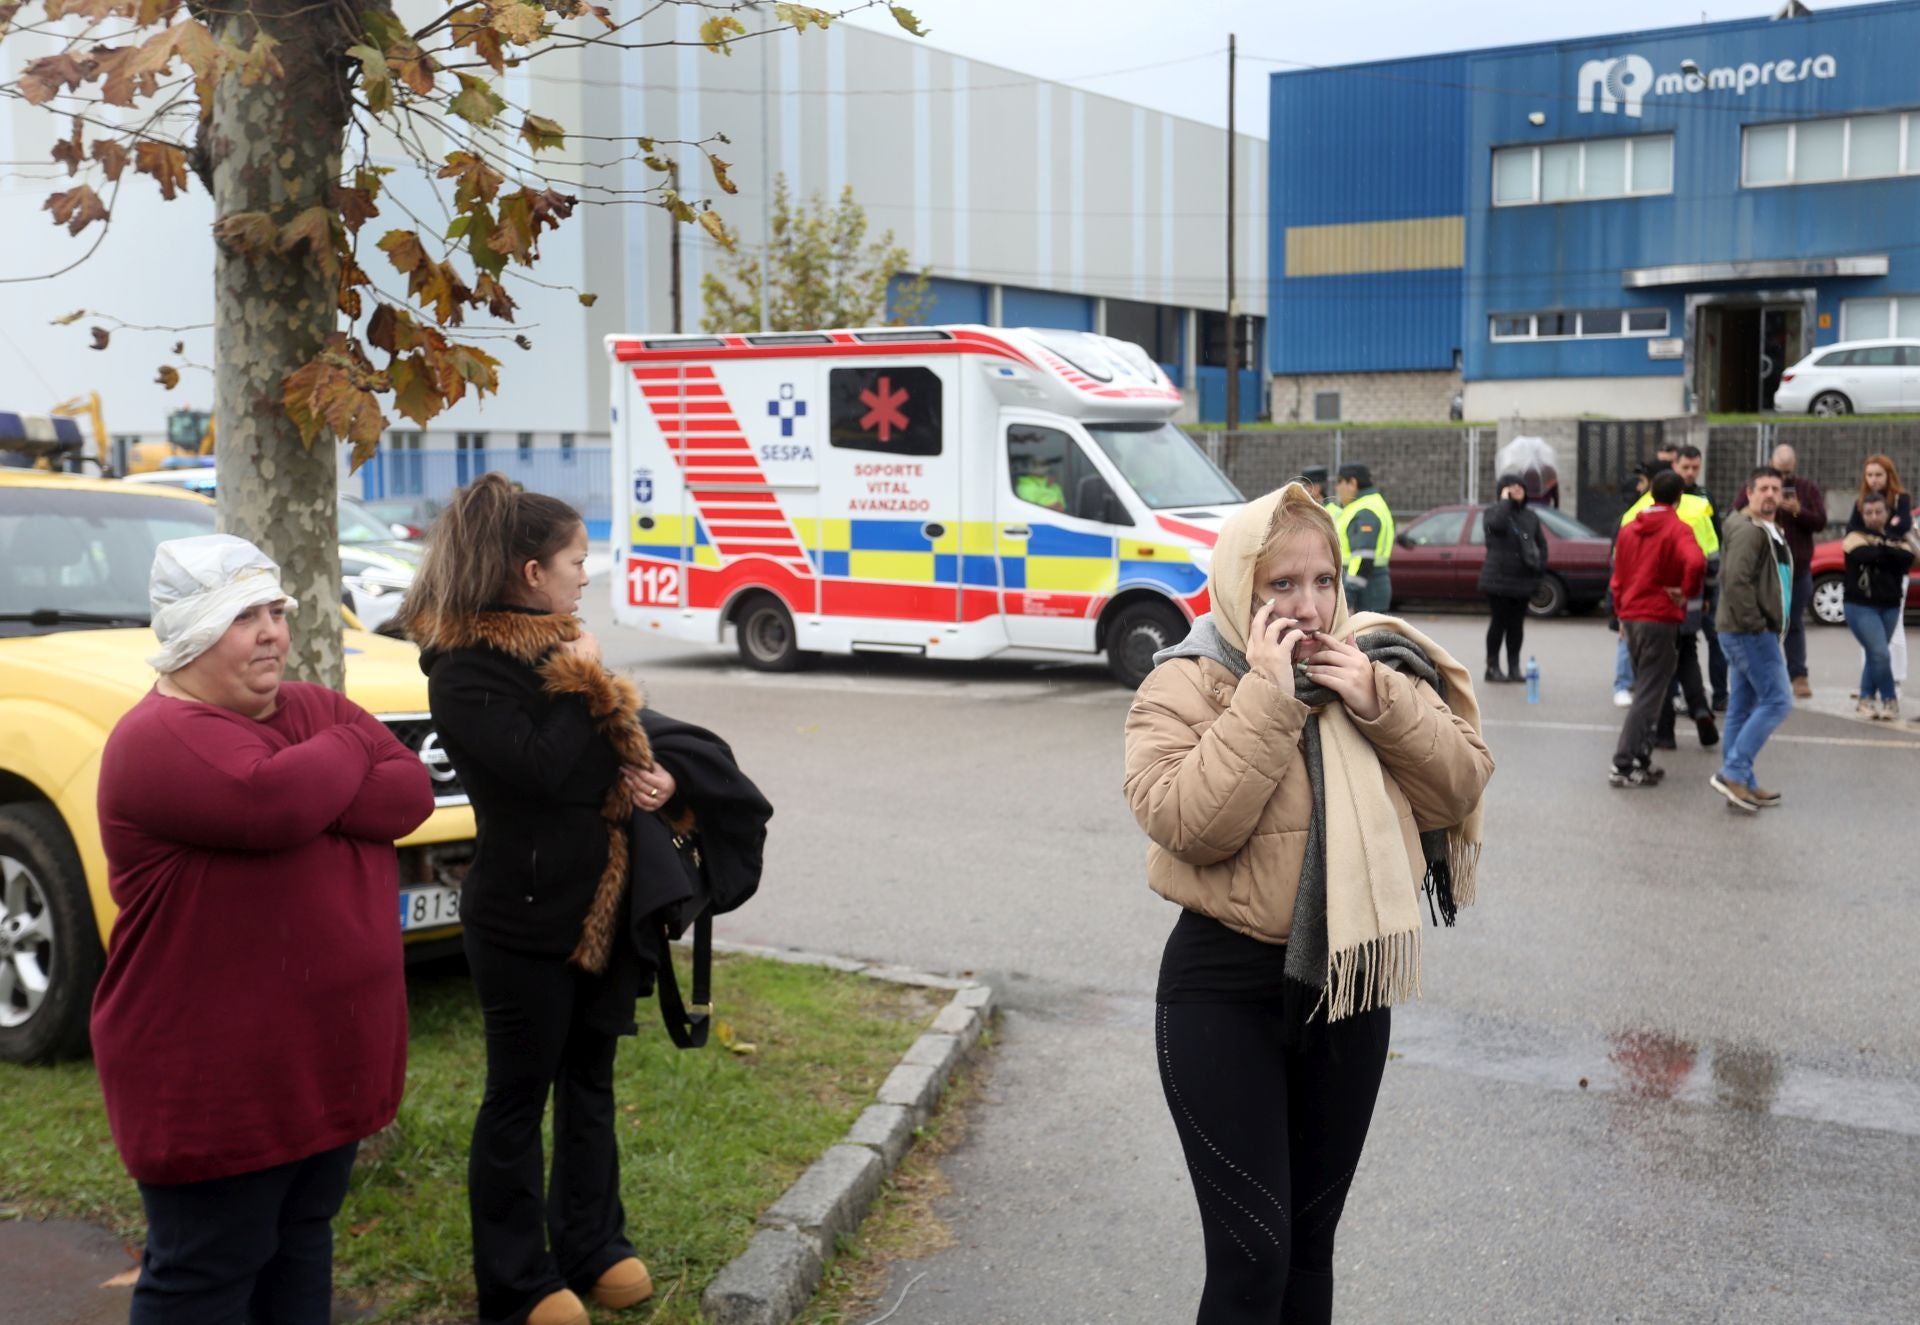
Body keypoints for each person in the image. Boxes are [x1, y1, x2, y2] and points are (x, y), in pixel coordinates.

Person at [1125, 481, 1492, 1325]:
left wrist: (1377, 698)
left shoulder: (1380, 664)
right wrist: (1266, 695)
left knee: (1311, 1247)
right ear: (1238, 589)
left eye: (1323, 580)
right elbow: (1188, 824)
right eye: (1280, 586)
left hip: (1347, 987)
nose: (1308, 606)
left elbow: (1460, 784)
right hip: (1221, 988)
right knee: (1254, 1254)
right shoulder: (1183, 684)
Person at [92, 534, 434, 1324]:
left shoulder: (305, 707)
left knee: (299, 1244)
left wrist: (322, 772)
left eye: (276, 610)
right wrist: (354, 741)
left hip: (317, 1070)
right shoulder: (157, 740)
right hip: (216, 1084)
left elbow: (408, 794)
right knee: (206, 1272)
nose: (274, 632)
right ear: (190, 632)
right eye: (244, 616)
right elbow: (271, 804)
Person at [396, 474, 667, 1325]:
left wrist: (654, 777)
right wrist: (585, 685)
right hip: (521, 922)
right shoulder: (464, 670)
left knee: (590, 1081)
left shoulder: (557, 646)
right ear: (529, 571)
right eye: (577, 560)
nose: (588, 574)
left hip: (599, 906)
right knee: (517, 1098)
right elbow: (541, 770)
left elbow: (599, 769)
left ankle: (594, 1242)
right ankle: (517, 1281)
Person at [1610, 470, 1705, 788]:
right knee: (1649, 695)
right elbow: (1696, 562)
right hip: (1660, 618)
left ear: (1650, 493)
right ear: (1679, 497)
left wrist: (1622, 614)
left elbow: (1618, 576)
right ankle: (1623, 763)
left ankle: (1640, 758)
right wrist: (1685, 590)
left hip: (1633, 617)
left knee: (1647, 688)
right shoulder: (1678, 528)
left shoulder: (1629, 529)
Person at [1712, 467, 1795, 813]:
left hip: (1747, 629)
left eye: (1776, 489)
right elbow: (1736, 582)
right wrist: (1757, 625)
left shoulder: (1766, 528)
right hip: (1749, 632)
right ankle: (1732, 772)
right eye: (1763, 488)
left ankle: (1741, 780)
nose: (1770, 495)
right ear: (1749, 493)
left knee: (1742, 707)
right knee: (1778, 700)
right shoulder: (1749, 531)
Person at [1735, 443, 1825, 698]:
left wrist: (1799, 511)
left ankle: (1798, 675)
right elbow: (1738, 512)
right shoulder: (1757, 488)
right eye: (1778, 471)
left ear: (1794, 467)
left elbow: (1820, 522)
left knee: (1793, 622)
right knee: (1762, 625)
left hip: (1797, 570)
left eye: (1786, 474)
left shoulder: (1806, 488)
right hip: (1763, 571)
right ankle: (1764, 676)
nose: (1782, 480)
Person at [1843, 491, 1916, 720]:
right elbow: (1864, 555)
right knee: (1880, 652)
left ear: (1887, 513)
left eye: (1878, 512)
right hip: (1860, 605)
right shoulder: (1854, 535)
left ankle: (1865, 699)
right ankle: (1889, 699)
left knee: (1877, 654)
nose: (1873, 517)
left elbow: (1907, 560)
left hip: (1890, 605)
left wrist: (1885, 550)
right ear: (1862, 514)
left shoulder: (1899, 537)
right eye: (1868, 513)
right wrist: (1889, 551)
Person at [1674, 445, 1729, 712]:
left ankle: (1720, 694)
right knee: (1681, 642)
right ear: (1675, 466)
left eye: (1695, 467)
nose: (1690, 473)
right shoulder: (1665, 495)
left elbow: (1715, 540)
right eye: (1685, 467)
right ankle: (1678, 696)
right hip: (1678, 582)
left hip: (1706, 580)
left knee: (1716, 638)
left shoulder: (1706, 497)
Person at [1478, 471, 1548, 683]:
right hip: (1497, 580)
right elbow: (1497, 525)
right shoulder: (1493, 512)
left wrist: (1539, 571)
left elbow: (1542, 546)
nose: (1518, 488)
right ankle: (1492, 668)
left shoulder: (1530, 516)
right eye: (1512, 486)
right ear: (1503, 490)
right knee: (1499, 622)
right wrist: (1505, 502)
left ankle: (1514, 667)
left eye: (1521, 485)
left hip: (1522, 579)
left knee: (1516, 625)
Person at [1333, 462, 1395, 614]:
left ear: (1352, 483)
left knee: (1364, 637)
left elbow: (1362, 558)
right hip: (1372, 589)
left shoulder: (1365, 510)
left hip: (1366, 593)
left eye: (1339, 481)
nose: (1336, 488)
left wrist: (1349, 594)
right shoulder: (1372, 504)